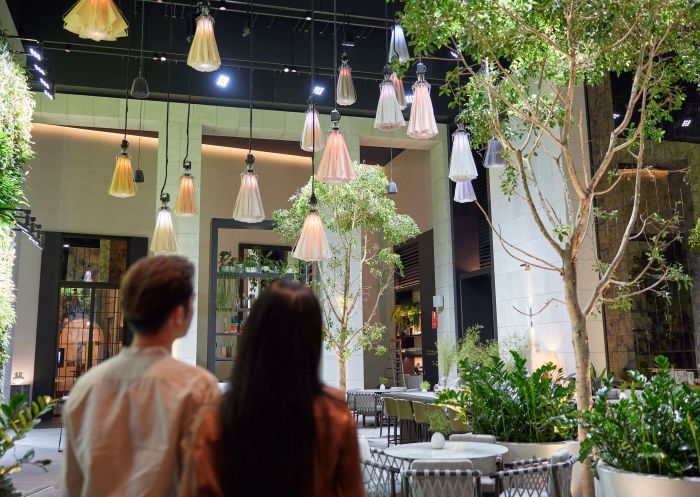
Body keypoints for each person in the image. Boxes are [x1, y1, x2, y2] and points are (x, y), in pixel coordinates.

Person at [180, 280, 364, 497]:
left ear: (253, 336)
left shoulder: (215, 419)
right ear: (312, 343)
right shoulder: (334, 415)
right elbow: (352, 490)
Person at [62, 255, 220, 497]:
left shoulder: (86, 386)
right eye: (192, 302)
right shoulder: (197, 388)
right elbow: (205, 483)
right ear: (179, 314)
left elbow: (73, 484)